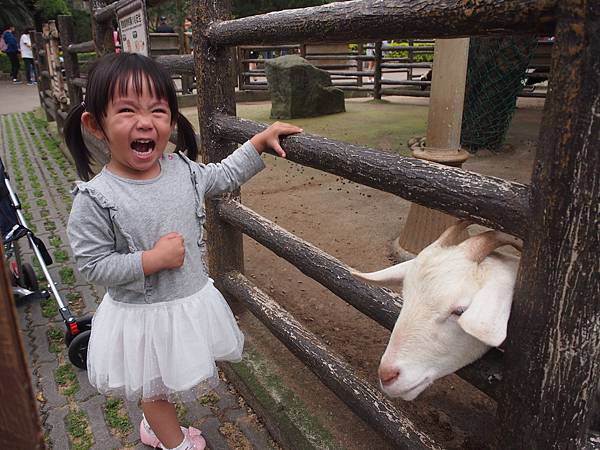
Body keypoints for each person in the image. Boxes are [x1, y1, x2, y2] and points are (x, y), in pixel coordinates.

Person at [63, 53, 301, 450]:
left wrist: (257, 143)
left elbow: (223, 175)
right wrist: (150, 260)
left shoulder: (182, 169)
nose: (145, 122)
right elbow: (92, 265)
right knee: (153, 389)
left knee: (161, 379)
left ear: (171, 121)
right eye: (125, 110)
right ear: (95, 124)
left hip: (185, 303)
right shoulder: (96, 197)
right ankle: (176, 445)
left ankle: (155, 428)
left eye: (158, 110)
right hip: (142, 316)